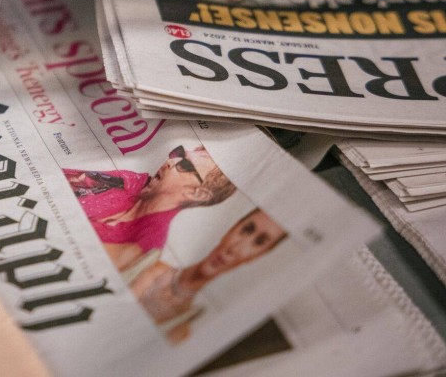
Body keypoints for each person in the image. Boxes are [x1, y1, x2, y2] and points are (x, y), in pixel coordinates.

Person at [64, 145, 236, 271]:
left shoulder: (146, 243)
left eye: (185, 165)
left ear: (198, 194)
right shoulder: (133, 183)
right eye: (178, 153)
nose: (170, 161)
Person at [130, 208, 287, 341]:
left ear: (259, 255)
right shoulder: (145, 262)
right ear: (233, 228)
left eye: (259, 242)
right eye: (246, 229)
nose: (235, 248)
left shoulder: (182, 330)